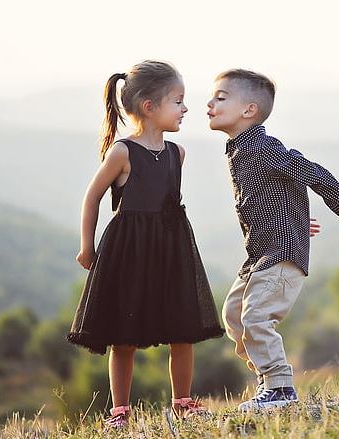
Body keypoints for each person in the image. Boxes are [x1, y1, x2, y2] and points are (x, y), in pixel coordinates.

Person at [206, 69, 339, 410]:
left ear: (248, 110)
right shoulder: (239, 150)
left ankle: (281, 387)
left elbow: (312, 172)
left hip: (281, 256)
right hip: (260, 254)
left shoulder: (265, 148)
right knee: (235, 317)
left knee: (256, 317)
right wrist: (294, 220)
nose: (209, 103)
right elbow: (272, 195)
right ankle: (268, 381)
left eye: (221, 97)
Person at [67, 60, 224, 427]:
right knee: (125, 335)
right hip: (129, 252)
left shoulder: (176, 154)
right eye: (178, 101)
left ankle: (182, 401)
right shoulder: (122, 153)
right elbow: (92, 197)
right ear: (150, 107)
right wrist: (86, 247)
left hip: (171, 251)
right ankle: (120, 410)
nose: (186, 109)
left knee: (182, 329)